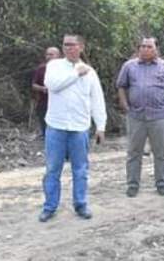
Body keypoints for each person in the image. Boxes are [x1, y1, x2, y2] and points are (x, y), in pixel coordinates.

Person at [39, 34, 106, 223]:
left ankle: (81, 204)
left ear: (81, 47)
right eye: (65, 45)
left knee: (81, 169)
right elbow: (53, 85)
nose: (68, 48)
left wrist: (100, 126)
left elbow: (97, 100)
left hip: (79, 127)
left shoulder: (90, 72)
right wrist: (76, 73)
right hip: (56, 126)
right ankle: (50, 207)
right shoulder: (54, 66)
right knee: (53, 169)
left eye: (72, 45)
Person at [117, 37, 164, 198]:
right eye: (142, 46)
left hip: (159, 116)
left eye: (149, 46)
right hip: (136, 116)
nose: (145, 49)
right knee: (133, 152)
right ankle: (132, 185)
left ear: (156, 49)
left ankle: (161, 183)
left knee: (160, 152)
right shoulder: (129, 66)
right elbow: (121, 86)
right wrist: (124, 104)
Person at [31, 47, 61, 138]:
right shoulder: (41, 69)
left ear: (58, 56)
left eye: (51, 54)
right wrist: (43, 88)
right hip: (44, 101)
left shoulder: (64, 69)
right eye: (47, 54)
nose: (48, 56)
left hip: (59, 102)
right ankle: (45, 137)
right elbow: (33, 85)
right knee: (43, 119)